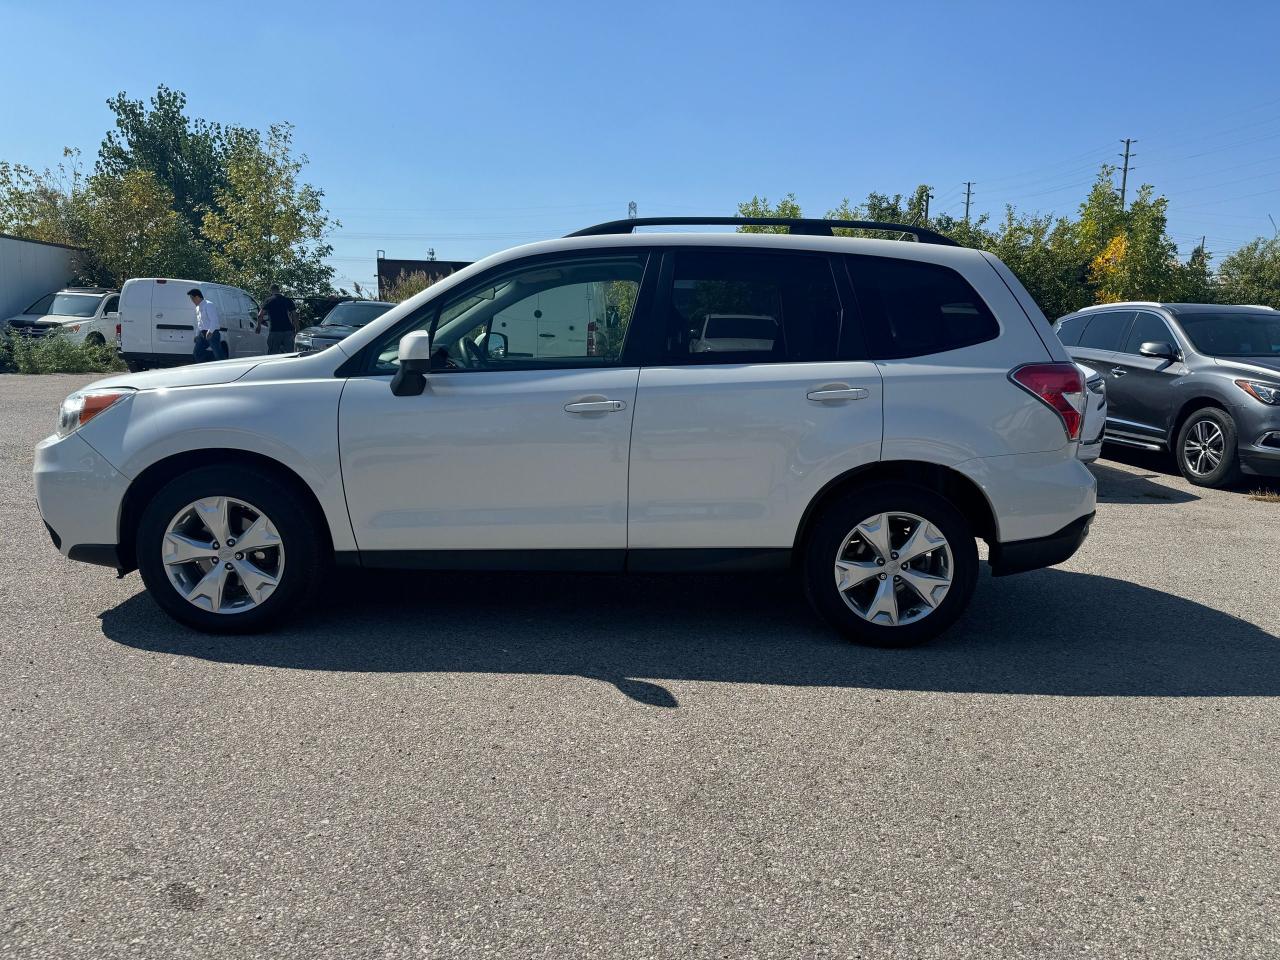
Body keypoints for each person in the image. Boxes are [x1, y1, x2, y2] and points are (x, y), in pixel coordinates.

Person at [257, 284, 297, 353]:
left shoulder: (269, 301)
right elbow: (294, 315)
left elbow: (260, 315)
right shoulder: (288, 300)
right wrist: (297, 327)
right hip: (288, 331)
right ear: (279, 290)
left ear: (271, 290)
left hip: (275, 331)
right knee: (290, 354)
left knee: (273, 354)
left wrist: (258, 326)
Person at [188, 288, 224, 363]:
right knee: (197, 353)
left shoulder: (209, 305)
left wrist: (210, 332)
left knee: (218, 354)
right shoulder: (197, 308)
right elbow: (199, 323)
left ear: (197, 297)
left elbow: (214, 320)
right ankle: (203, 368)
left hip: (212, 333)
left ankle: (223, 369)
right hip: (202, 334)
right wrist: (196, 335)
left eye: (192, 299)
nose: (192, 301)